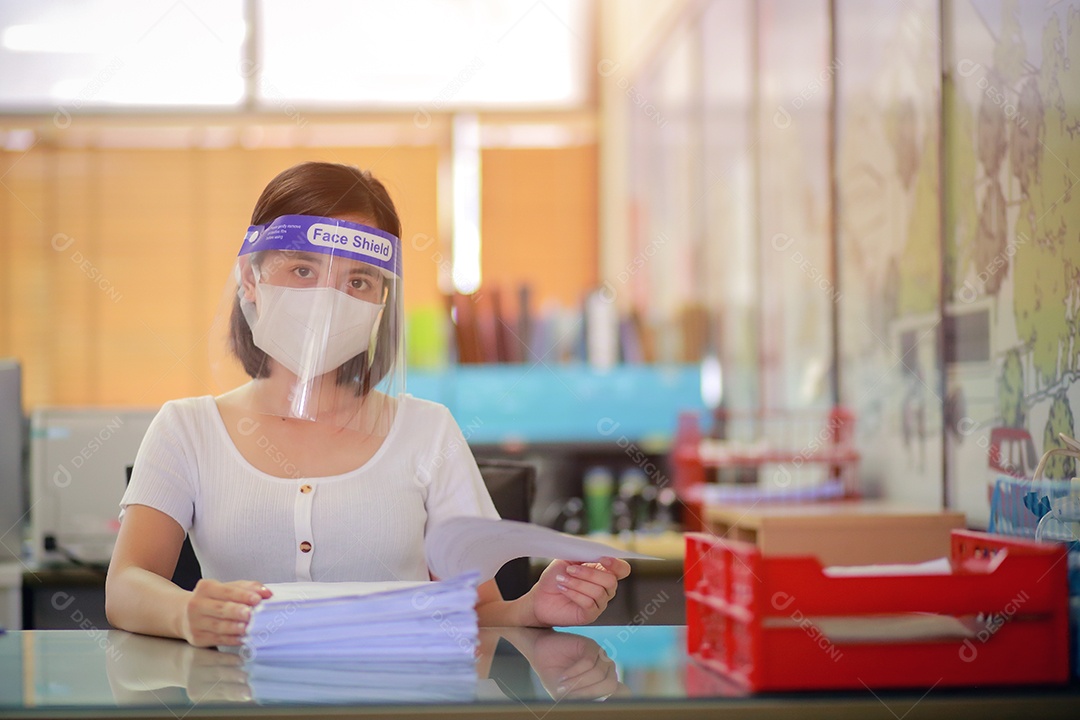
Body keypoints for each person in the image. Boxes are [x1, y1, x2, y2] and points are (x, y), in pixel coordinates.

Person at [105, 161, 630, 648]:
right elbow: (127, 585)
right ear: (251, 279)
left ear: (381, 301)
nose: (329, 300)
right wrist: (185, 613)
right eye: (303, 271)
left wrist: (534, 608)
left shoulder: (429, 430)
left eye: (357, 280)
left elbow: (478, 611)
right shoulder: (187, 428)